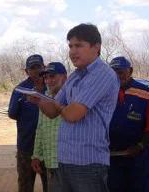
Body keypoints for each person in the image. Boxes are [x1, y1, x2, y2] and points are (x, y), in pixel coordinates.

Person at [30, 23, 120, 192]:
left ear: (96, 47)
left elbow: (72, 114)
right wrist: (39, 101)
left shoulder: (103, 74)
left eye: (78, 45)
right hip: (64, 160)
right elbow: (51, 112)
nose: (72, 51)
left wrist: (59, 106)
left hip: (88, 162)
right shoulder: (74, 77)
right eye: (70, 46)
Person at [108, 56, 149, 192]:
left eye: (120, 72)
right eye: (113, 72)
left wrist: (139, 146)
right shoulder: (105, 93)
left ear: (130, 71)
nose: (117, 76)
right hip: (111, 159)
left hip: (138, 159)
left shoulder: (147, 93)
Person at [8, 54, 47, 192]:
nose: (36, 71)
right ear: (26, 71)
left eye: (39, 67)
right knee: (25, 186)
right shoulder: (20, 89)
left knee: (52, 186)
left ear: (44, 67)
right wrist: (21, 100)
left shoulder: (51, 87)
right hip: (26, 147)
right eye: (32, 68)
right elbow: (12, 114)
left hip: (49, 148)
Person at [31, 62, 67, 192]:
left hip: (69, 163)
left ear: (64, 77)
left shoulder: (73, 97)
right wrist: (36, 155)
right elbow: (40, 128)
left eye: (52, 76)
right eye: (46, 78)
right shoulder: (44, 98)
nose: (48, 81)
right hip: (50, 160)